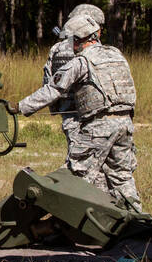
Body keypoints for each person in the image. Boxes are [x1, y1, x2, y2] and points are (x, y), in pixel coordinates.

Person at [17, 14, 142, 211]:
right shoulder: (116, 54)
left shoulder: (82, 61)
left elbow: (53, 90)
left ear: (77, 40)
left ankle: (65, 227)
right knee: (121, 176)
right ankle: (136, 223)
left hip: (98, 125)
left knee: (74, 176)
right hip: (125, 124)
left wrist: (20, 106)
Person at [43, 3, 106, 170]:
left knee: (77, 152)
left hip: (67, 110)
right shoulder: (94, 49)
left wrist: (55, 106)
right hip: (90, 110)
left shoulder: (58, 48)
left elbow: (49, 80)